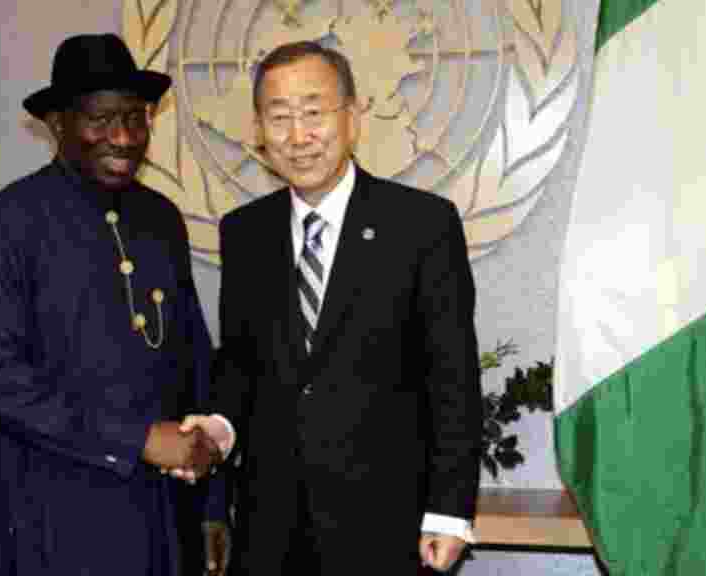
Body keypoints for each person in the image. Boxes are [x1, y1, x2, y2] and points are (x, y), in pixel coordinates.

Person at [179, 41, 483, 574]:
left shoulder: (422, 225)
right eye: (279, 117)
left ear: (353, 117)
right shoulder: (245, 233)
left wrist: (449, 511)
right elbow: (240, 363)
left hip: (387, 527)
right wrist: (222, 426)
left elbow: (453, 379)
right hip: (272, 532)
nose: (298, 137)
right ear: (259, 131)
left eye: (314, 113)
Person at [0, 33, 227, 576]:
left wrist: (213, 505)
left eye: (136, 117)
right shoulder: (6, 225)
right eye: (101, 120)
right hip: (53, 522)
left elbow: (194, 359)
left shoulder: (161, 219)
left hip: (162, 519)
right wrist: (138, 440)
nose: (124, 136)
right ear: (58, 124)